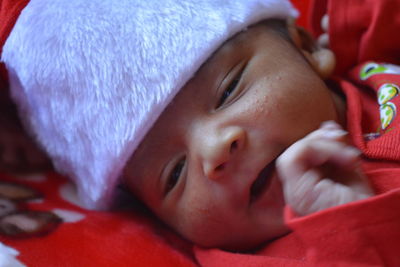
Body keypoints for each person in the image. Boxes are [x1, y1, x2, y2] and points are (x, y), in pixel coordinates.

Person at [1, 0, 400, 264]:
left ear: (308, 47)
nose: (215, 150)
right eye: (173, 174)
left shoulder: (370, 56)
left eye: (229, 90)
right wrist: (345, 229)